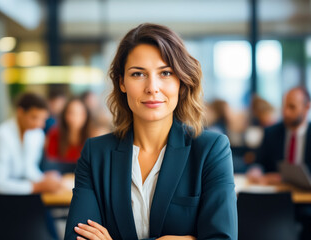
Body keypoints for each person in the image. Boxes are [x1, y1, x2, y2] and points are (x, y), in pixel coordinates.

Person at [64, 23, 237, 240]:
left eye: (165, 73)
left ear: (180, 82)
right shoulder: (95, 154)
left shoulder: (211, 150)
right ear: (122, 83)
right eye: (138, 74)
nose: (152, 87)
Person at [0, 93, 61, 194]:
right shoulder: (1, 137)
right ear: (20, 112)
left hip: (22, 195)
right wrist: (36, 186)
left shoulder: (36, 135)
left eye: (43, 119)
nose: (39, 124)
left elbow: (28, 169)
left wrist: (45, 179)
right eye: (34, 117)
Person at [247, 87, 311, 184]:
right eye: (284, 106)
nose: (286, 112)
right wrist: (256, 171)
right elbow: (259, 163)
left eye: (292, 107)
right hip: (276, 193)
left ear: (306, 107)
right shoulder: (271, 133)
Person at [45, 97, 90, 164]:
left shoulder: (92, 136)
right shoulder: (54, 134)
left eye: (80, 113)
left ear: (86, 116)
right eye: (71, 113)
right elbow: (50, 162)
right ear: (65, 115)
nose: (75, 117)